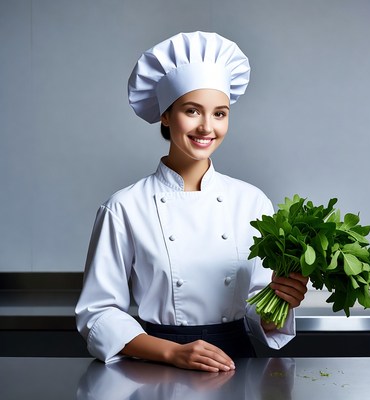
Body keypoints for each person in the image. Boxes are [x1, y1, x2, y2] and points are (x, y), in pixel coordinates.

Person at [75, 31, 308, 372]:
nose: (206, 127)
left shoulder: (252, 202)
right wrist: (172, 353)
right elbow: (99, 312)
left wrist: (282, 301)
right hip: (154, 362)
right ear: (166, 116)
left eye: (219, 113)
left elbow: (261, 316)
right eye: (192, 111)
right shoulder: (124, 207)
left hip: (234, 362)